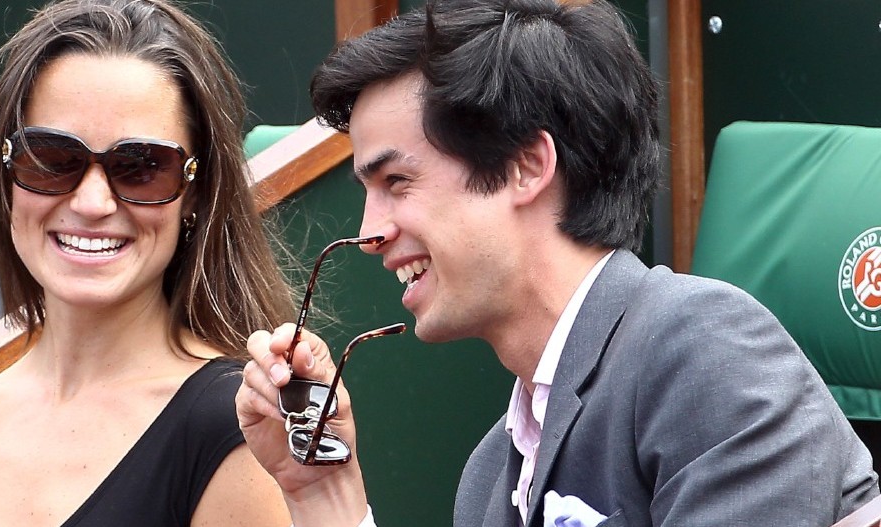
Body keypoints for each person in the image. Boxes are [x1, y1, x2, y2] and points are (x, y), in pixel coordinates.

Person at [235, 1, 880, 526]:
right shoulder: (491, 475)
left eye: (397, 181)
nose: (369, 232)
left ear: (526, 166)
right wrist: (325, 493)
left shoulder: (704, 348)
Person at [0, 0, 296, 525]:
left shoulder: (244, 430)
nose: (92, 203)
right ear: (5, 177)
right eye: (52, 159)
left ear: (194, 193)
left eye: (142, 167)